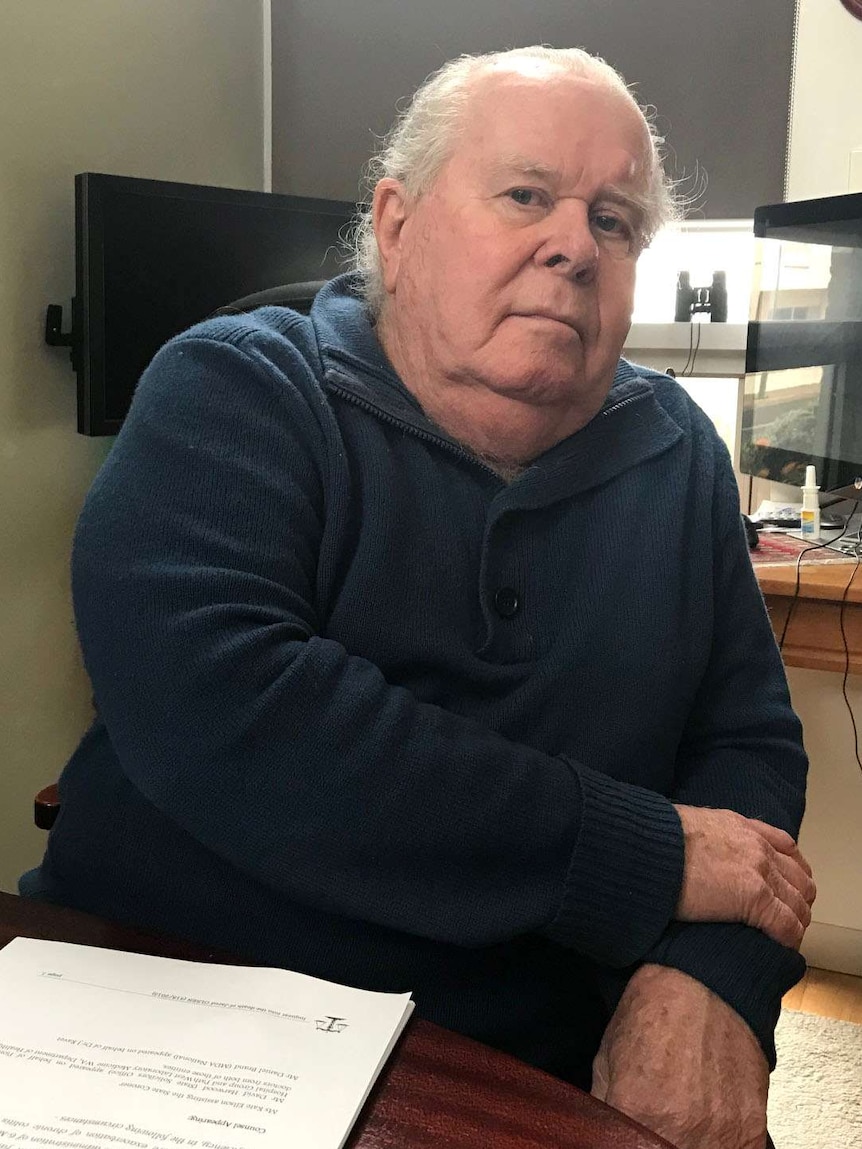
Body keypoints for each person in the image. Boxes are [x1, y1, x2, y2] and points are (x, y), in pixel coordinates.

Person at [23, 46, 815, 1149]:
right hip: (180, 1018)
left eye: (616, 221)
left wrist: (710, 980)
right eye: (526, 196)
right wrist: (648, 860)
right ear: (396, 224)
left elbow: (749, 747)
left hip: (526, 1053)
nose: (573, 248)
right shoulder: (238, 385)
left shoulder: (676, 450)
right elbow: (232, 713)